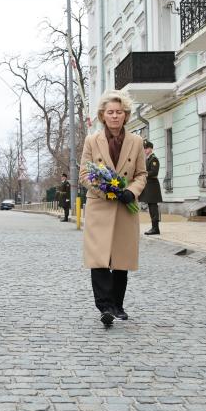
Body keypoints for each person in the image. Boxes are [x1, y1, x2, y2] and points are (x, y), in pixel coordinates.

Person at [79, 90, 147, 326]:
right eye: (110, 112)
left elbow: (141, 174)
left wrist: (131, 191)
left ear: (126, 115)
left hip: (125, 206)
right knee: (99, 258)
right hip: (100, 205)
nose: (115, 116)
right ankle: (105, 307)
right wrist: (105, 191)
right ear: (103, 115)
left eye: (119, 112)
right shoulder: (92, 140)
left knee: (121, 258)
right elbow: (85, 174)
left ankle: (117, 305)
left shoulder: (136, 141)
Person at [141, 140, 162, 235]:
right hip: (149, 186)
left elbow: (154, 172)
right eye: (144, 148)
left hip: (153, 186)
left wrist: (144, 174)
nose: (145, 150)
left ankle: (155, 228)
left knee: (153, 207)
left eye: (146, 148)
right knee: (151, 206)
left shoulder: (154, 159)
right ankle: (154, 227)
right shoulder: (147, 159)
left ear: (150, 148)